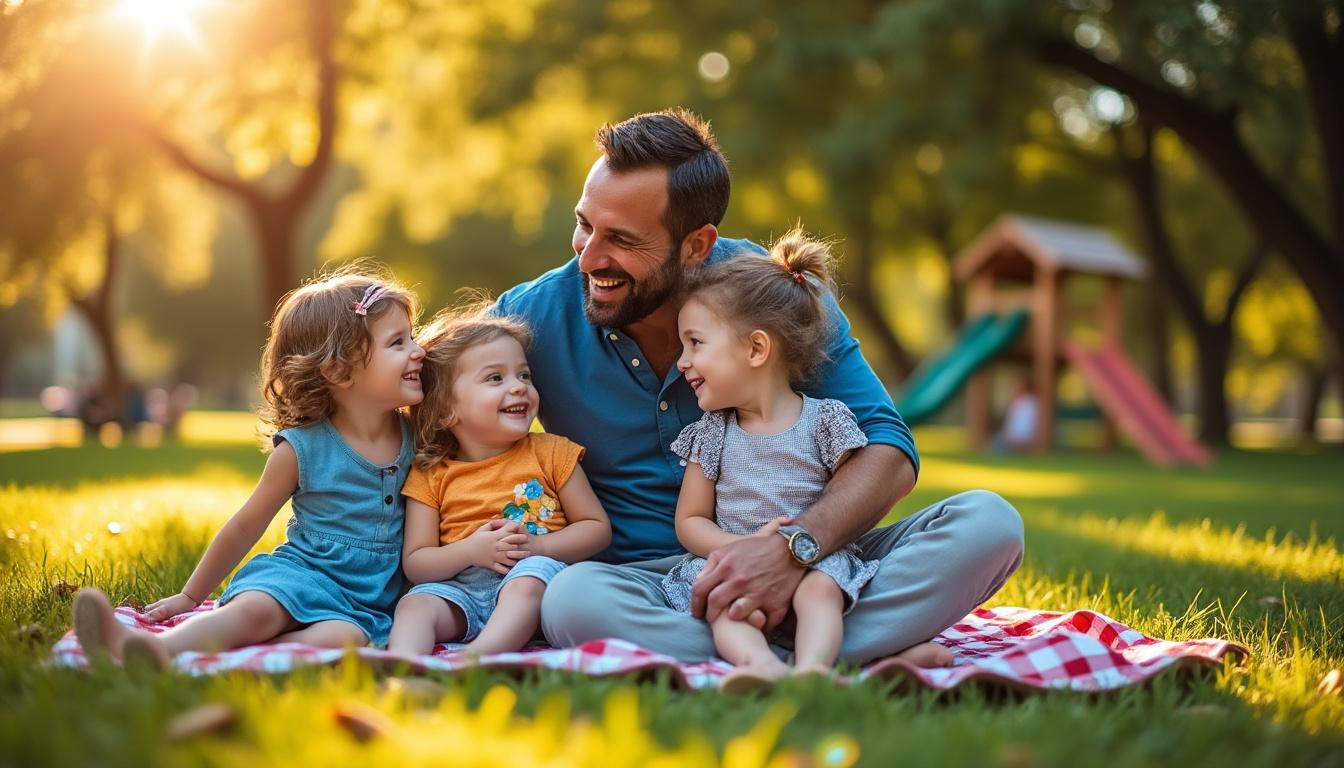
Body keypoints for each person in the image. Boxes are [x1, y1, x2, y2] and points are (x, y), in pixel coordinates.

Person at [494, 108, 1025, 665]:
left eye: (621, 239)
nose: (588, 256)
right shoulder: (531, 316)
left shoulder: (777, 297)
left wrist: (791, 550)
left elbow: (888, 452)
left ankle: (767, 659)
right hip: (654, 585)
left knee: (990, 524)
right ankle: (836, 658)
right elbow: (430, 390)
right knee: (571, 601)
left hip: (815, 566)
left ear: (697, 245)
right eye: (584, 224)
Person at [73, 267, 425, 665]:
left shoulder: (419, 438)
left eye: (412, 336)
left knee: (340, 640)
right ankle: (151, 649)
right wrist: (191, 596)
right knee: (256, 611)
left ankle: (251, 656)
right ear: (338, 371)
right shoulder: (302, 449)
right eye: (398, 342)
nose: (419, 350)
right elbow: (244, 526)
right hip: (301, 576)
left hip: (367, 604)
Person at [664, 229, 952, 691]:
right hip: (735, 568)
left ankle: (815, 669)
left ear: (756, 349)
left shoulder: (826, 420)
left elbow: (853, 497)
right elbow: (690, 520)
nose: (682, 361)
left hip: (816, 564)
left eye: (695, 343)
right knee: (728, 607)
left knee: (822, 590)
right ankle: (769, 666)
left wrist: (794, 551)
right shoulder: (710, 433)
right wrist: (738, 550)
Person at [386, 307, 610, 657]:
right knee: (413, 606)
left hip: (536, 576)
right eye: (495, 378)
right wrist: (470, 551)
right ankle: (402, 665)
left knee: (526, 583)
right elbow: (417, 561)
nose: (519, 387)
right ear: (446, 410)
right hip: (461, 591)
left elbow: (596, 528)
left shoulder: (551, 452)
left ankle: (479, 656)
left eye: (524, 375)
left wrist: (539, 549)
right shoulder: (432, 473)